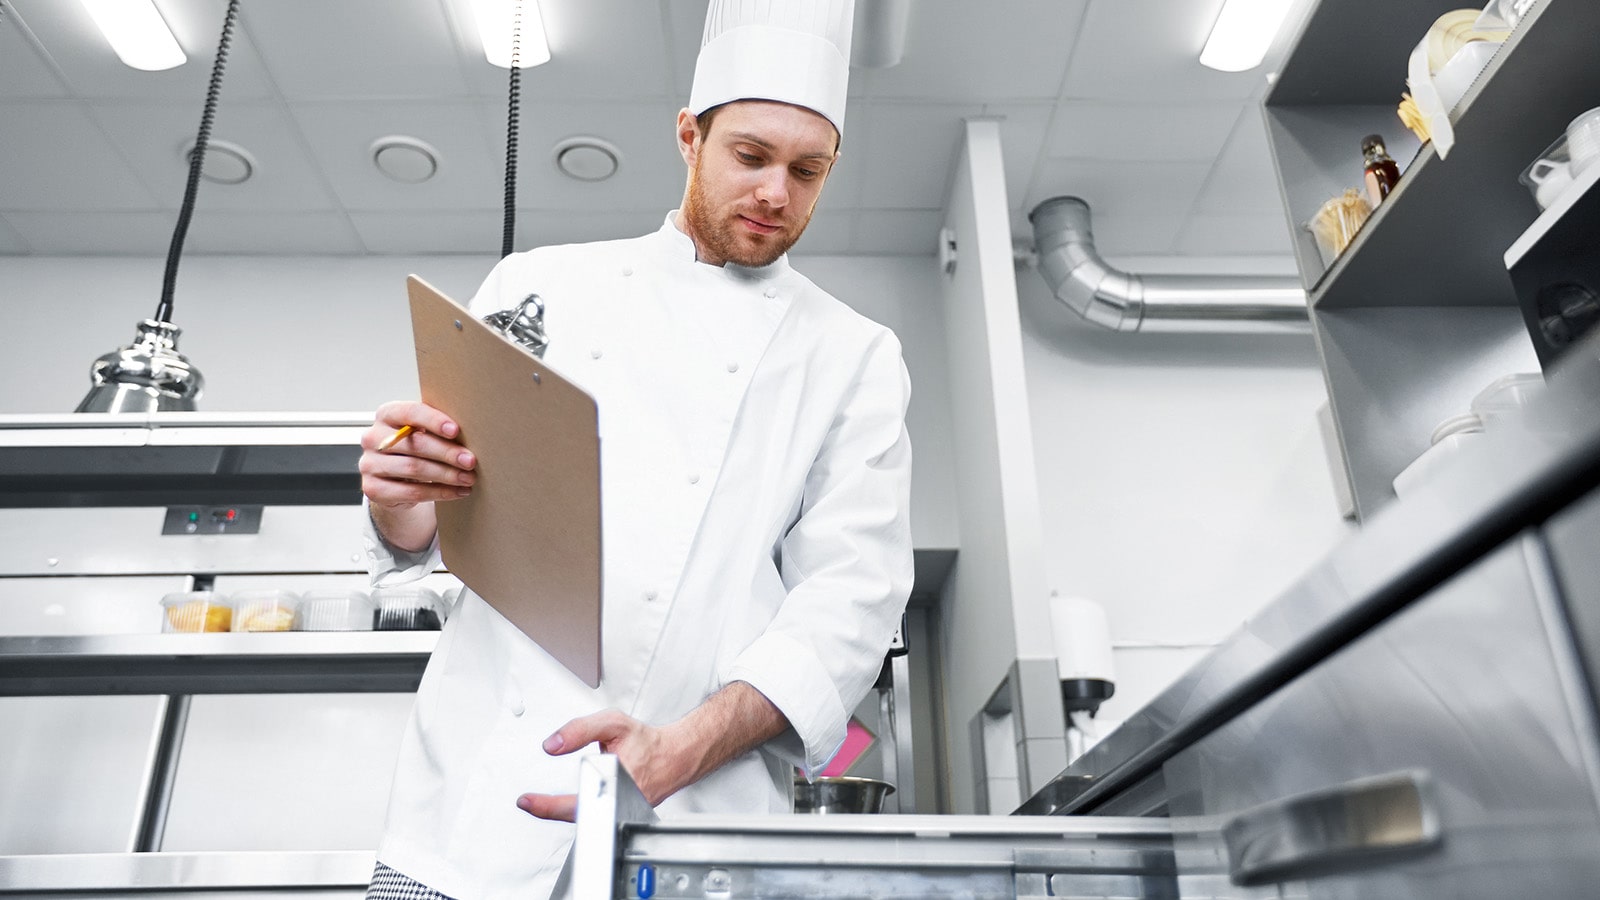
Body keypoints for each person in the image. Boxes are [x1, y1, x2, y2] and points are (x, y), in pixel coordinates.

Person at [355, 2, 911, 897]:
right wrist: (400, 501)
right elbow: (445, 525)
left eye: (807, 171)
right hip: (474, 804)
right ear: (690, 137)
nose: (777, 192)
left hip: (697, 818)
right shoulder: (543, 282)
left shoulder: (853, 355)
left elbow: (852, 602)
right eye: (751, 156)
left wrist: (677, 752)